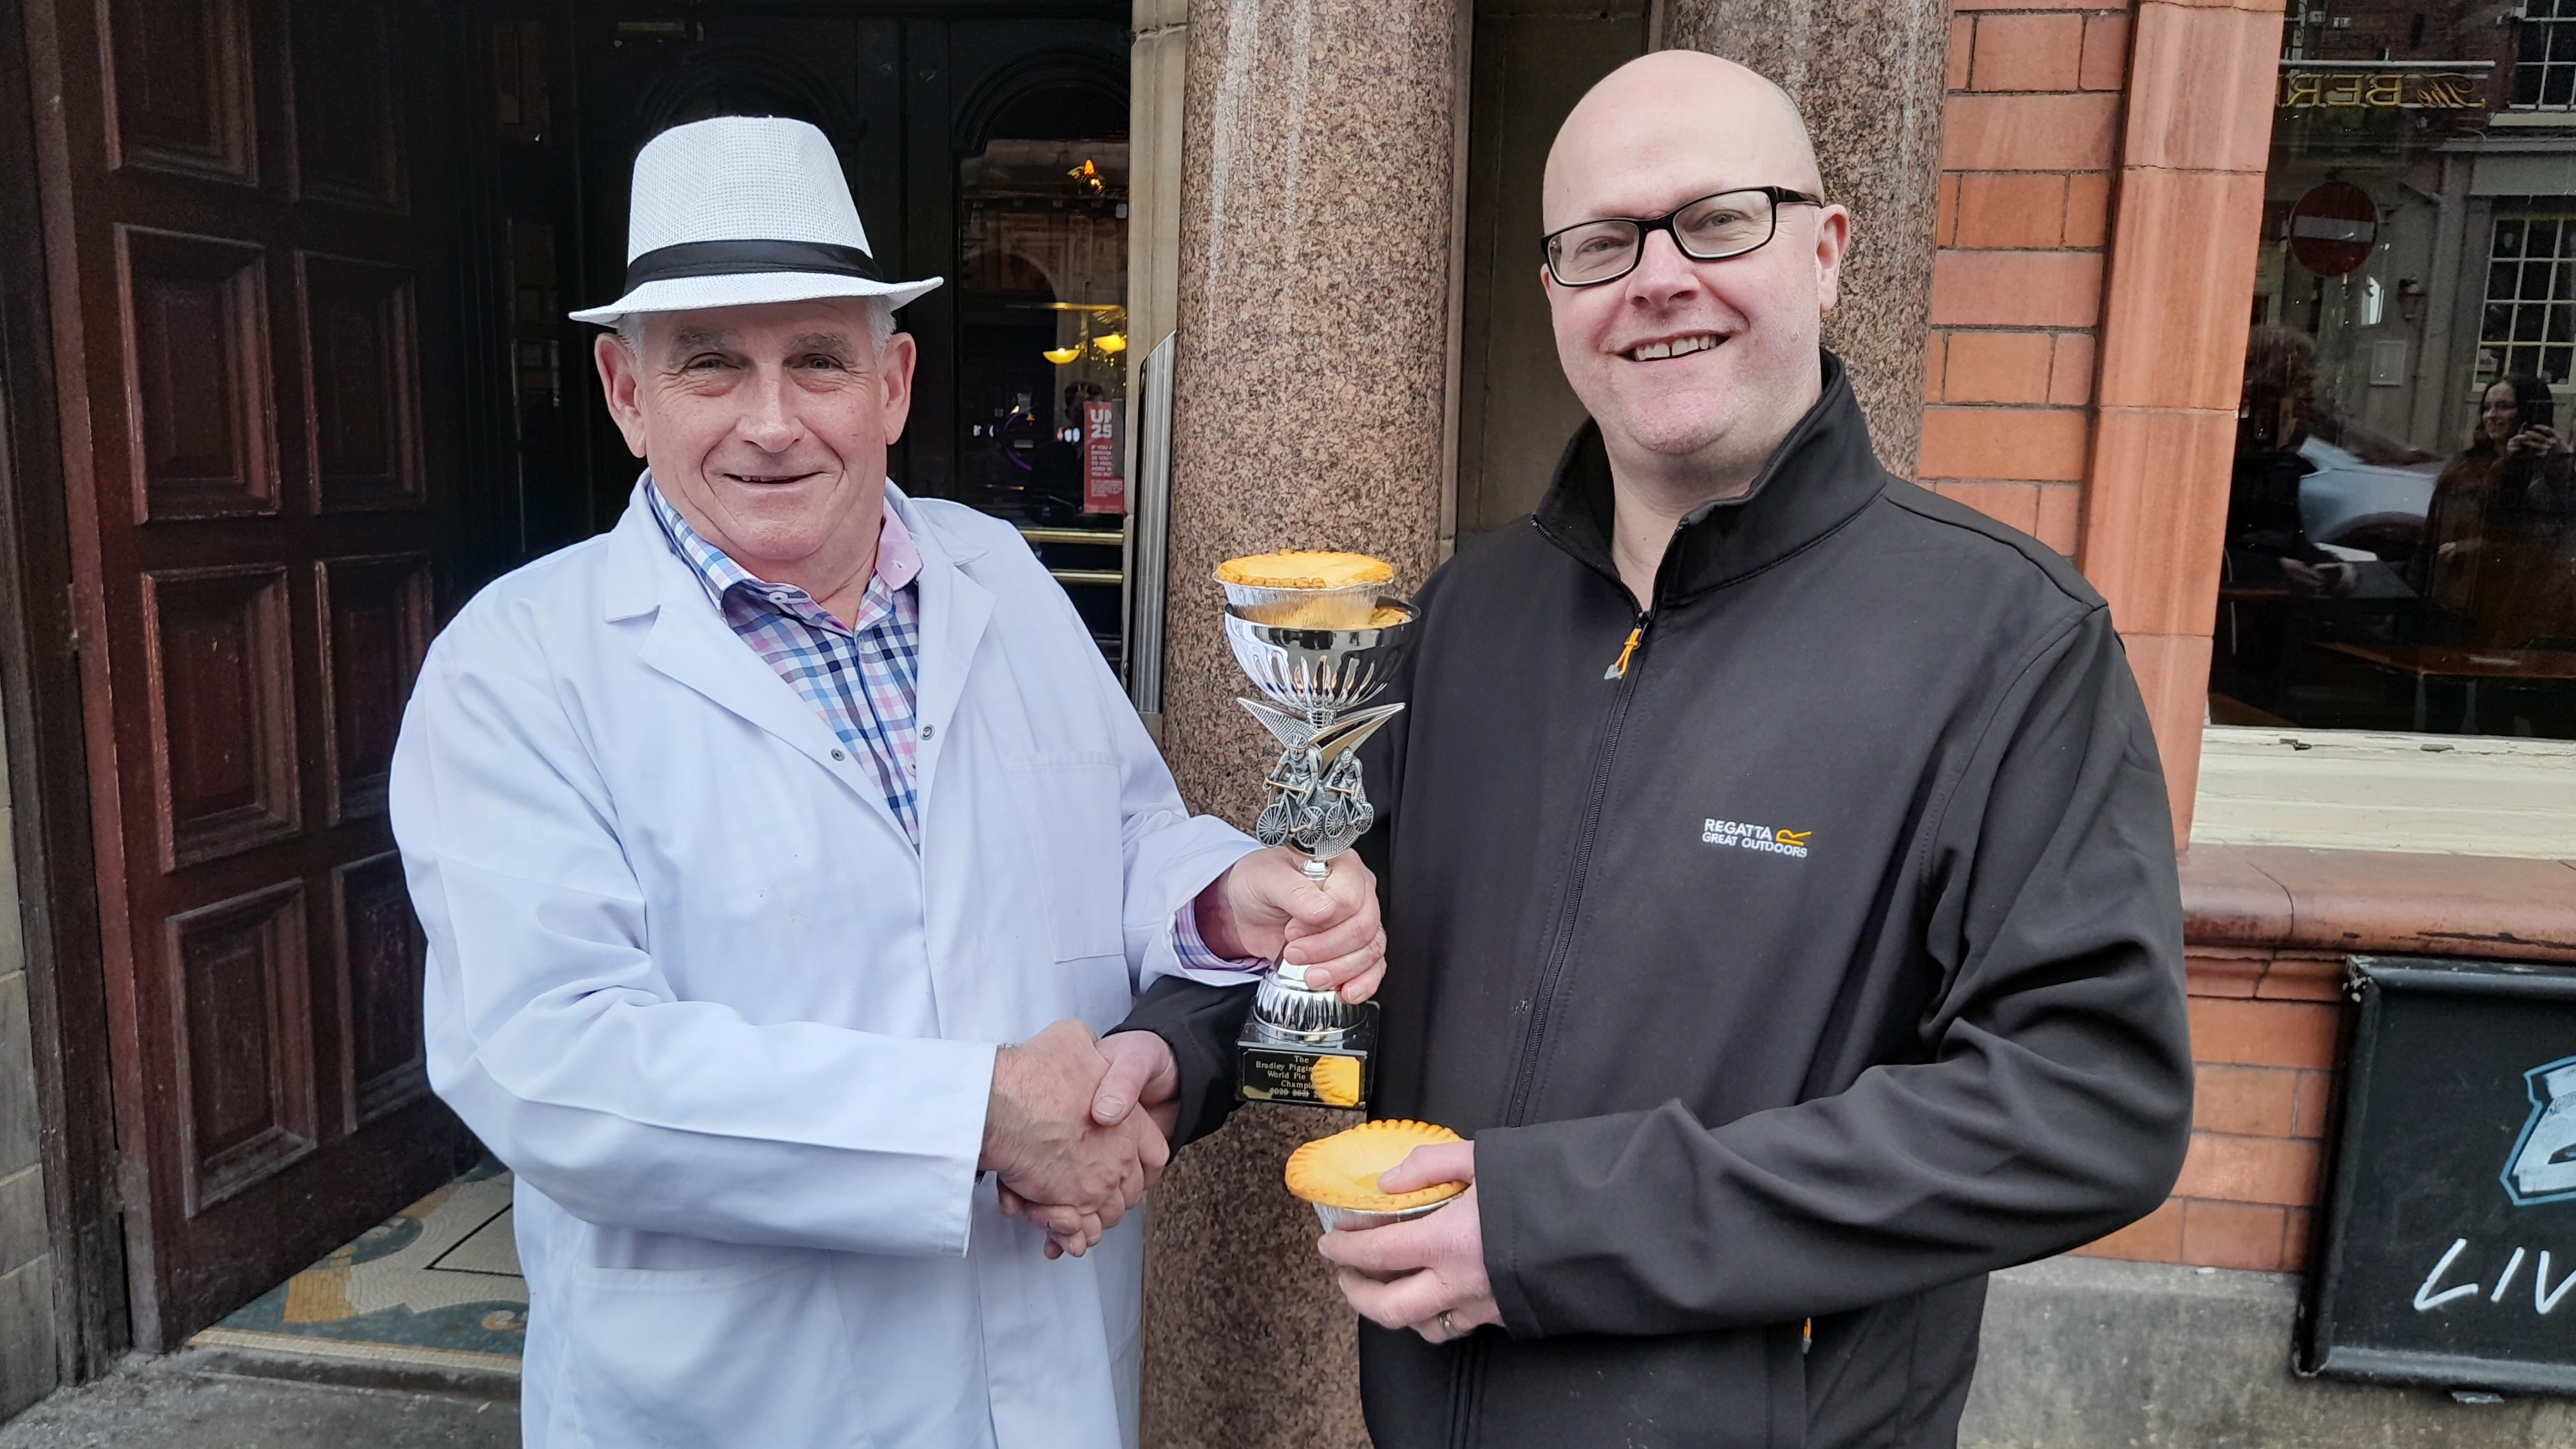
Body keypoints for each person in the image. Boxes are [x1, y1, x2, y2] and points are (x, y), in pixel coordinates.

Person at [1105, 52, 2192, 1448]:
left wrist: (1554, 1229)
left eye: (1719, 218)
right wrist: (1169, 1060)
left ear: (1826, 253)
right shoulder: (1460, 615)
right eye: (1601, 243)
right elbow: (1333, 938)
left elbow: (2084, 1106)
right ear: (1555, 293)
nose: (1658, 278)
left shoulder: (2005, 644)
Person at [388, 116, 1385, 1449]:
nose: (772, 422)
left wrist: (1221, 897)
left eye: (816, 361)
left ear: (894, 381)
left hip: (1043, 1361)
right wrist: (974, 1118)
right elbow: (549, 1059)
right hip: (736, 1395)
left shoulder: (994, 572)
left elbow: (1120, 828)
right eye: (708, 368)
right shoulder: (517, 664)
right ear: (627, 394)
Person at [2418, 375, 2571, 643]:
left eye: (2503, 407)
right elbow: (2431, 533)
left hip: (2505, 609)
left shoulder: (2545, 474)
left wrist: (2560, 466)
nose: (2491, 416)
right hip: (2449, 599)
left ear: (2526, 412)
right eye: (2487, 407)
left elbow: (2540, 545)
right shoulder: (2464, 467)